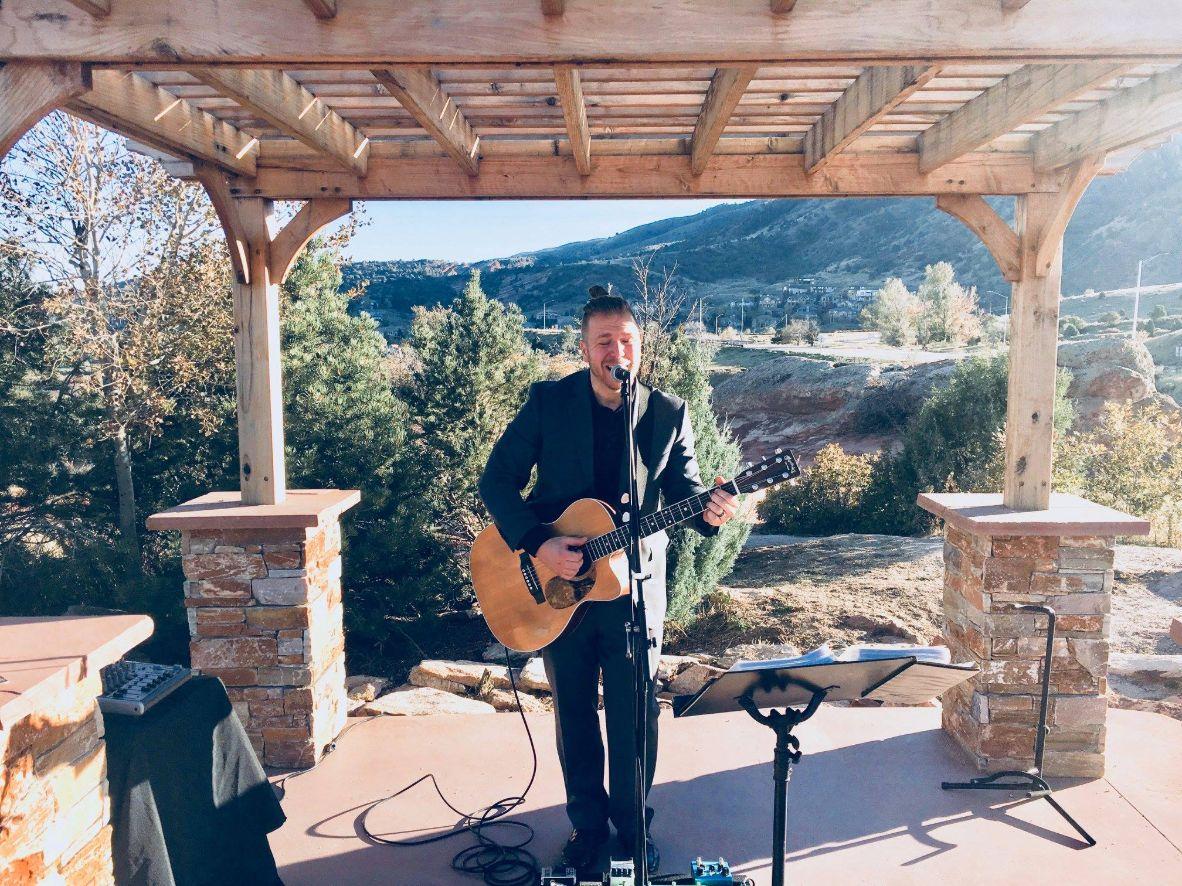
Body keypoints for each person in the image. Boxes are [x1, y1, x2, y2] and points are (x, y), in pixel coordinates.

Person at [478, 289, 738, 875]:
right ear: (584, 347)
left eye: (626, 341)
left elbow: (686, 494)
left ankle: (633, 830)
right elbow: (497, 481)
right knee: (573, 712)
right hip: (557, 586)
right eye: (604, 342)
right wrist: (539, 542)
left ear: (638, 346)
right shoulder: (548, 403)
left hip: (633, 590)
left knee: (634, 716)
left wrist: (712, 511)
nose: (616, 352)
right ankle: (587, 830)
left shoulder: (666, 412)